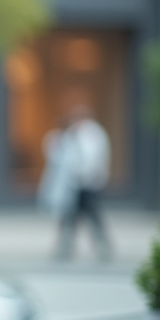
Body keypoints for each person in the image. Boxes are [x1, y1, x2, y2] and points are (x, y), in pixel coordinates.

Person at [38, 103, 112, 261]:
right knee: (68, 216)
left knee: (92, 216)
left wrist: (83, 175)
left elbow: (92, 159)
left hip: (88, 184)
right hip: (73, 185)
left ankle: (101, 246)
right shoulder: (73, 133)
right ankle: (65, 247)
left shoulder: (93, 133)